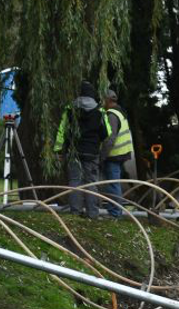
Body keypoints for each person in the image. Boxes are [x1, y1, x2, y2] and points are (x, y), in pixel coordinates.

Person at [53, 81, 109, 219]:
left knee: (75, 181)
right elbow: (106, 132)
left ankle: (75, 212)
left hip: (74, 152)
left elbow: (62, 130)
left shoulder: (69, 109)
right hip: (92, 152)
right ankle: (93, 214)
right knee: (92, 182)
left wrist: (58, 149)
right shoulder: (100, 111)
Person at [100, 89, 134, 218]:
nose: (102, 103)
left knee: (113, 184)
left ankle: (115, 213)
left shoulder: (112, 115)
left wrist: (102, 155)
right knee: (114, 183)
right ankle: (113, 210)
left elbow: (110, 138)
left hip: (114, 154)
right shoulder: (120, 112)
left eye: (103, 100)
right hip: (121, 153)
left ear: (108, 100)